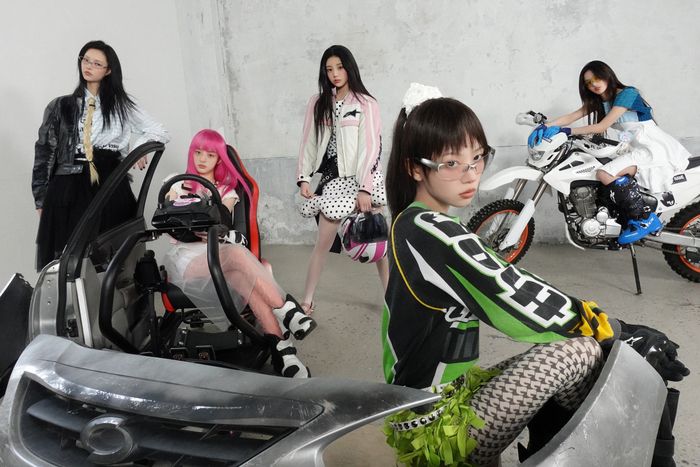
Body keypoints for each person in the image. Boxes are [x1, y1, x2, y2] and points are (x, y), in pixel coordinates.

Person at [382, 85, 689, 466]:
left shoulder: (415, 222)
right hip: (436, 427)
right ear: (415, 168)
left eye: (477, 159)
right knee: (581, 352)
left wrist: (607, 328)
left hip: (447, 399)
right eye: (451, 164)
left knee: (583, 357)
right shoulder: (428, 230)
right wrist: (613, 329)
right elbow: (507, 288)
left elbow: (506, 275)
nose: (470, 175)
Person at [163, 129, 316, 378]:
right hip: (187, 259)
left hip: (218, 255)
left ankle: (283, 353)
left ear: (219, 159)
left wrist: (211, 224)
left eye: (210, 155)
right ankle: (287, 310)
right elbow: (171, 221)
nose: (202, 159)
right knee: (235, 254)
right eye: (198, 153)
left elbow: (222, 221)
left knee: (244, 278)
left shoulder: (227, 191)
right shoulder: (176, 183)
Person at [33, 40, 170, 271]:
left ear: (108, 71)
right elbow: (45, 152)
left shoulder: (121, 105)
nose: (89, 66)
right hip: (68, 184)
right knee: (71, 257)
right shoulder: (61, 106)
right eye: (86, 60)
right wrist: (40, 198)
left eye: (97, 63)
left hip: (109, 181)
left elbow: (159, 131)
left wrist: (138, 148)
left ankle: (110, 293)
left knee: (111, 252)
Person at [528, 60, 690, 245]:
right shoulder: (600, 101)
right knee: (603, 172)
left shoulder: (627, 94)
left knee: (605, 173)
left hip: (653, 147)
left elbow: (602, 126)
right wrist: (545, 127)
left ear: (607, 75)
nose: (593, 84)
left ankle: (644, 219)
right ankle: (621, 218)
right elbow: (572, 116)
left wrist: (567, 131)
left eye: (596, 78)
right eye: (588, 83)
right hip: (637, 146)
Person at [296, 45, 388, 314]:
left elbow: (371, 148)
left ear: (349, 68)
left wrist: (365, 188)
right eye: (329, 69)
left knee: (378, 244)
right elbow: (308, 142)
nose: (335, 74)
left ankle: (392, 300)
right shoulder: (318, 103)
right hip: (334, 180)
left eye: (339, 67)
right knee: (322, 245)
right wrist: (304, 178)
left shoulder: (366, 104)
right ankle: (307, 300)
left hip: (362, 179)